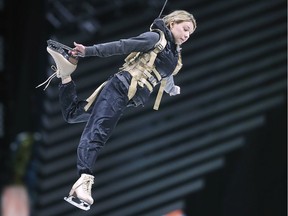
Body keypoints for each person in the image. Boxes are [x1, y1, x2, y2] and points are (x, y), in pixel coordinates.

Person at [49, 10, 196, 210]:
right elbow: (122, 45)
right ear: (171, 23)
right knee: (98, 131)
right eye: (185, 28)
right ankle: (83, 181)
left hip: (127, 97)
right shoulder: (155, 38)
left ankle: (65, 75)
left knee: (74, 115)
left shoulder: (173, 53)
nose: (187, 35)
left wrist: (171, 87)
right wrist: (88, 51)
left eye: (190, 33)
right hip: (120, 87)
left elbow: (165, 74)